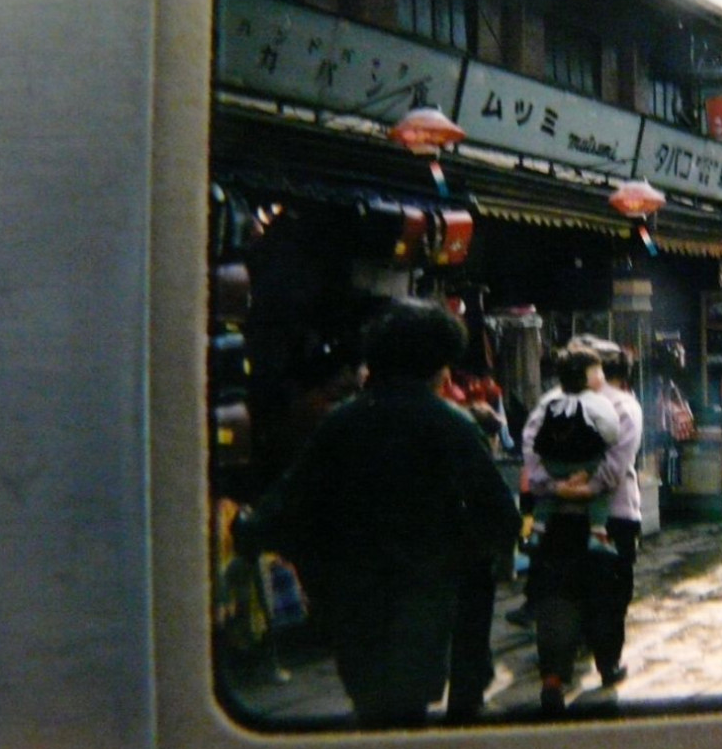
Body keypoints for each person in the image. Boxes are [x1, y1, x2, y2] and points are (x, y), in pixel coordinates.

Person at [234, 297, 521, 727]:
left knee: (370, 711)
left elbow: (288, 503)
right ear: (438, 365)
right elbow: (501, 518)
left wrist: (248, 532)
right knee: (407, 716)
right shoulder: (452, 425)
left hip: (354, 602)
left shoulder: (342, 422)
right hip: (425, 602)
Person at [526, 340, 644, 692]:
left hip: (556, 519)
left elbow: (531, 452)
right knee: (608, 595)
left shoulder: (547, 403)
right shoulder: (623, 405)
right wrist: (589, 487)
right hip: (611, 518)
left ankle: (554, 675)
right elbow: (617, 465)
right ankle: (608, 665)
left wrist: (553, 486)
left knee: (557, 596)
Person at [528, 348, 621, 547]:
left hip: (552, 465)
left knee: (548, 496)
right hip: (586, 466)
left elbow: (532, 438)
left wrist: (549, 478)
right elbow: (612, 434)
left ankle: (537, 528)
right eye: (598, 372)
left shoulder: (548, 401)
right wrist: (589, 471)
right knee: (600, 495)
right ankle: (597, 532)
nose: (602, 376)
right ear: (586, 377)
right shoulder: (599, 402)